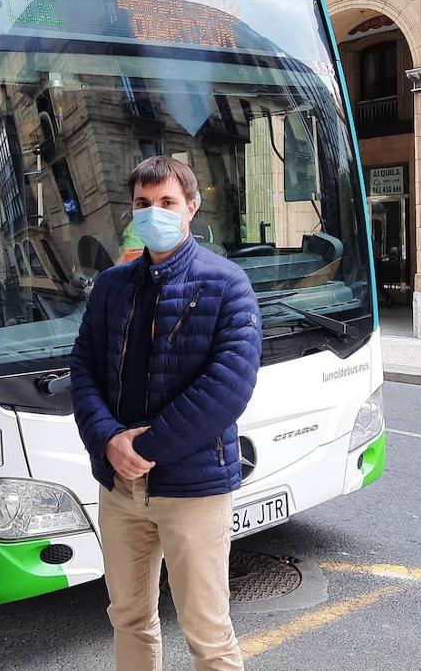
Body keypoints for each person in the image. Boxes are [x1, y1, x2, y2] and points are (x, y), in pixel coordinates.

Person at [70, 156, 261, 671]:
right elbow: (83, 368)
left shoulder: (227, 284)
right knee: (128, 617)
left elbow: (227, 388)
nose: (154, 212)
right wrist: (108, 440)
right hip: (119, 489)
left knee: (207, 631)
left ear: (191, 208)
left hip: (192, 491)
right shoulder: (112, 286)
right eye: (143, 204)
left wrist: (142, 450)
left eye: (167, 203)